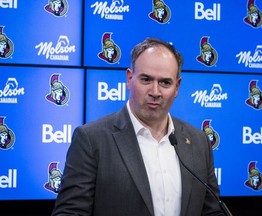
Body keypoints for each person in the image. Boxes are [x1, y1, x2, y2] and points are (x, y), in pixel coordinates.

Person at [51, 37, 225, 216]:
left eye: (165, 82)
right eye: (146, 80)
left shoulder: (198, 141)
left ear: (177, 87)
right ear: (129, 78)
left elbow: (212, 212)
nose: (155, 92)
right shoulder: (91, 139)